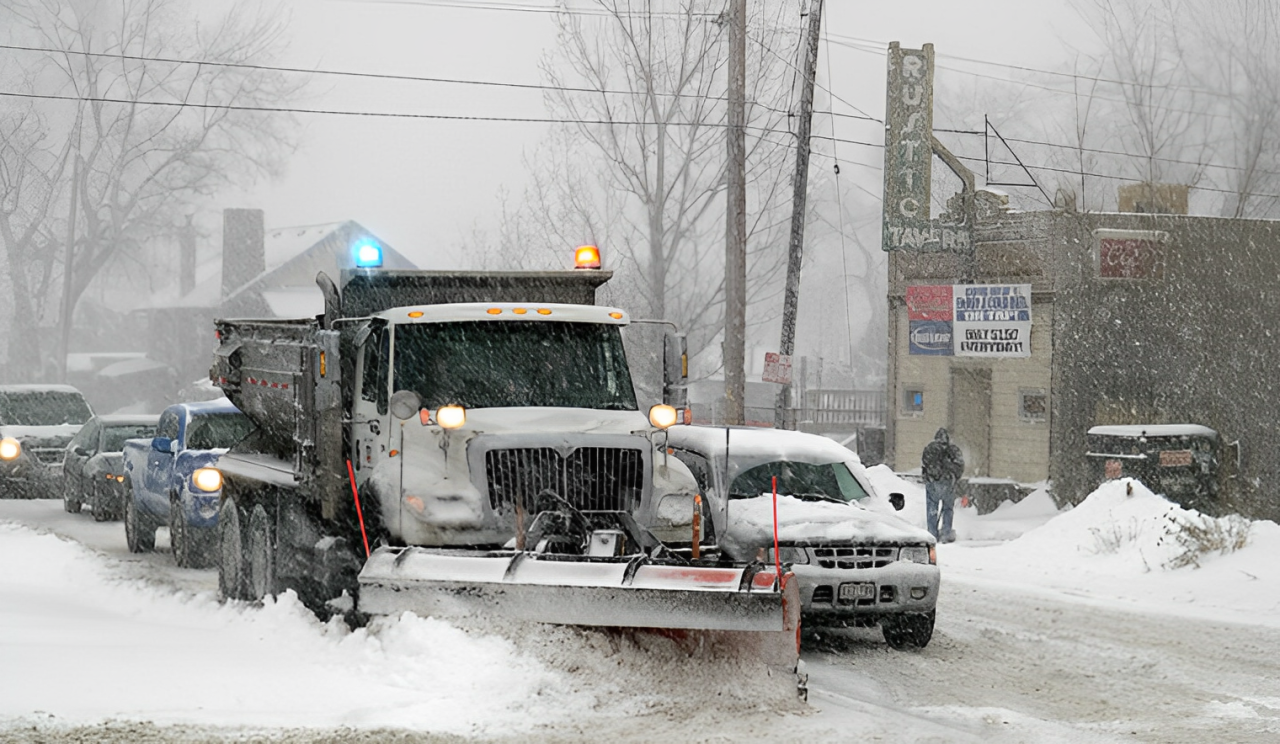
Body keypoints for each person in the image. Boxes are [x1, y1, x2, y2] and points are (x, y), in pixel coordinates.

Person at [921, 427, 964, 543]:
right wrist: (954, 478)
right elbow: (960, 466)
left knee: (931, 509)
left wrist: (928, 478)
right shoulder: (953, 450)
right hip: (948, 483)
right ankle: (946, 532)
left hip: (932, 483)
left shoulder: (929, 449)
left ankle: (932, 533)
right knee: (948, 509)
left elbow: (924, 464)